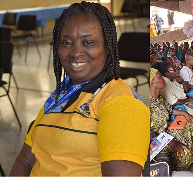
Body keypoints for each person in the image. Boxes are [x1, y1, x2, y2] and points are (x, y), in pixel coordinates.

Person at [9, 2, 149, 176]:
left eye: (88, 42)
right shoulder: (60, 96)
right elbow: (25, 159)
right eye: (66, 42)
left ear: (107, 47)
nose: (76, 52)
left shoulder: (121, 104)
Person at [149, 68, 193, 175]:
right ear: (152, 83)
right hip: (157, 141)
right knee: (184, 153)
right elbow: (148, 133)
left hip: (168, 131)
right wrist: (172, 142)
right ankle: (178, 171)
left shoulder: (159, 98)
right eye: (160, 77)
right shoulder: (146, 104)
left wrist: (186, 114)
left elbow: (171, 110)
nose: (163, 78)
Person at [152, 61, 193, 132]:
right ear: (167, 74)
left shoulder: (173, 81)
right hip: (182, 106)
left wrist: (183, 81)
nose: (177, 71)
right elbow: (174, 102)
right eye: (174, 70)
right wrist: (188, 100)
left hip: (186, 102)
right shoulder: (165, 84)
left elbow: (186, 90)